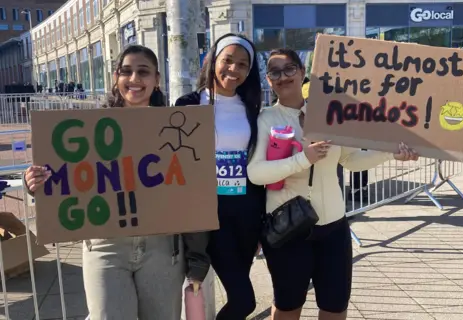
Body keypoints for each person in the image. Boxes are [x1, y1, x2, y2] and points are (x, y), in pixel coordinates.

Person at [23, 45, 210, 320]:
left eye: (143, 72)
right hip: (105, 246)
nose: (134, 79)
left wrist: (197, 261)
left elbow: (190, 198)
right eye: (127, 71)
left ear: (157, 79)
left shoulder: (177, 130)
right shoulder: (89, 130)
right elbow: (67, 181)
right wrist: (35, 185)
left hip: (162, 250)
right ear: (115, 77)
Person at [247, 48, 419, 320]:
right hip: (288, 229)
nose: (283, 77)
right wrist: (303, 159)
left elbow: (351, 159)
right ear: (268, 80)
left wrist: (391, 153)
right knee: (288, 306)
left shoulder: (331, 114)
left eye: (289, 69)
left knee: (335, 306)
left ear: (303, 73)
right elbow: (256, 173)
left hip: (333, 228)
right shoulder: (266, 119)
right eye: (274, 72)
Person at [175, 33, 266, 320]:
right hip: (211, 215)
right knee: (245, 301)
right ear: (212, 60)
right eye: (228, 60)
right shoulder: (189, 103)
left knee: (237, 294)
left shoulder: (251, 107)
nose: (233, 69)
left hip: (247, 213)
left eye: (242, 64)